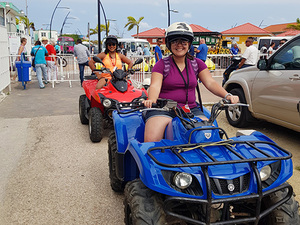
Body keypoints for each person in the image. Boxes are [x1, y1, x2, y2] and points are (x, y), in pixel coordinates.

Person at [143, 22, 239, 142]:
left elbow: (210, 82)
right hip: (164, 109)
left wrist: (227, 95)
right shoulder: (161, 64)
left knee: (210, 136)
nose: (179, 45)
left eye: (184, 42)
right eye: (175, 41)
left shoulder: (197, 64)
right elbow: (155, 85)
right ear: (169, 44)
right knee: (151, 141)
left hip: (190, 109)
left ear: (189, 44)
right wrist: (151, 99)